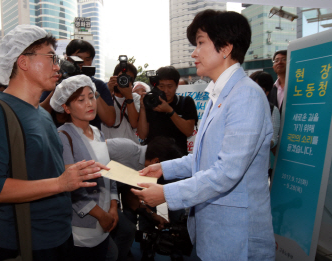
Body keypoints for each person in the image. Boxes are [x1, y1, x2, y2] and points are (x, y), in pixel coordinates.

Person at [132, 10, 275, 261]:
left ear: (226, 47)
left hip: (237, 235)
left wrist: (167, 194)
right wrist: (163, 169)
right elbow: (202, 157)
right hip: (216, 230)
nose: (194, 53)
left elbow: (227, 171)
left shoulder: (246, 96)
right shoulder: (218, 95)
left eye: (200, 43)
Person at [0, 25, 104, 261]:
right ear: (23, 62)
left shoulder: (41, 113)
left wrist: (68, 173)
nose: (57, 66)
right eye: (51, 58)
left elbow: (40, 169)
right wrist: (60, 183)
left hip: (60, 236)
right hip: (26, 243)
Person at [50, 75, 119, 261]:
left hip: (106, 217)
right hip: (83, 224)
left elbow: (108, 171)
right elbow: (71, 187)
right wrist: (100, 214)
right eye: (81, 100)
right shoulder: (64, 136)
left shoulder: (97, 132)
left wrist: (113, 206)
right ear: (66, 107)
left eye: (91, 96)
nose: (90, 103)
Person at [40, 40, 116, 129]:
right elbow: (39, 115)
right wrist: (60, 87)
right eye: (78, 58)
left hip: (91, 140)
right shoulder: (56, 82)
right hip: (60, 138)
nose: (82, 63)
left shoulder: (98, 85)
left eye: (87, 59)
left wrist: (90, 87)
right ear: (68, 59)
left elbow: (110, 120)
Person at [137, 66, 198, 155]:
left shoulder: (185, 102)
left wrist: (170, 111)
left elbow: (188, 131)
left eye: (170, 86)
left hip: (177, 159)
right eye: (161, 86)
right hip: (154, 158)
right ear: (156, 86)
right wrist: (142, 107)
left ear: (176, 86)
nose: (166, 90)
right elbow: (142, 135)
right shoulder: (151, 103)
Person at [103, 62, 140, 143]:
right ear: (114, 77)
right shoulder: (104, 96)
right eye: (121, 77)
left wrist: (129, 97)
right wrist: (108, 91)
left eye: (128, 78)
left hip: (130, 147)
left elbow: (134, 124)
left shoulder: (135, 97)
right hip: (108, 147)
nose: (124, 80)